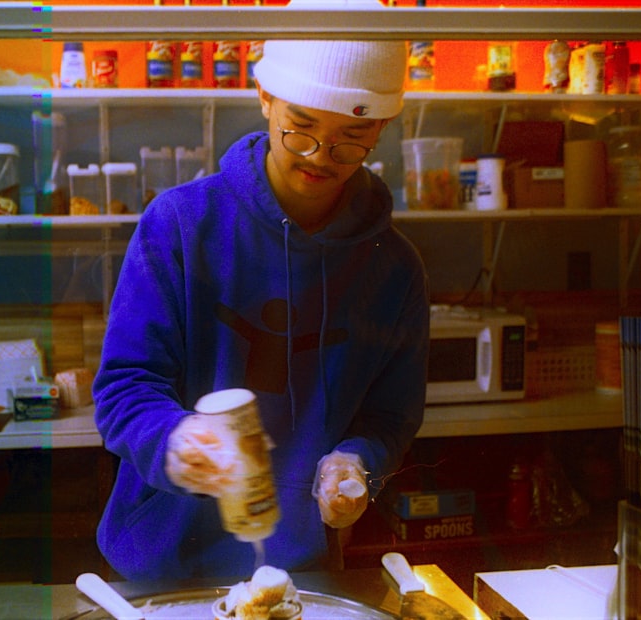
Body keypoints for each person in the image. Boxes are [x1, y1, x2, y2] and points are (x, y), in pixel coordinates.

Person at [92, 35, 429, 581]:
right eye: (302, 128)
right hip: (160, 563)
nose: (320, 156)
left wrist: (357, 464)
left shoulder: (393, 268)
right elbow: (123, 388)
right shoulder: (180, 224)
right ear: (265, 97)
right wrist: (172, 439)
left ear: (381, 129)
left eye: (351, 139)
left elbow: (390, 418)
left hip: (301, 567)